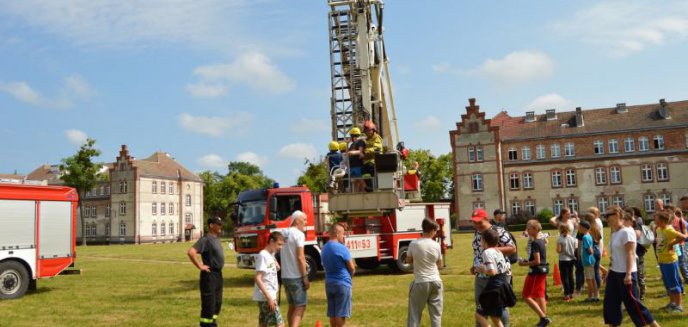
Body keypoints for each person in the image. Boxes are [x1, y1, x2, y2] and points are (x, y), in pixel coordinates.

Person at [602, 206, 660, 327]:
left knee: (633, 304)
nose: (606, 218)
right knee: (611, 302)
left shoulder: (627, 232)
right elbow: (615, 254)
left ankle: (652, 324)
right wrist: (609, 271)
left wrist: (628, 274)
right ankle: (613, 324)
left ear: (617, 214)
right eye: (605, 216)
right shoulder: (614, 233)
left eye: (608, 215)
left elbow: (631, 253)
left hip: (626, 273)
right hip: (614, 272)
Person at [471, 209, 516, 327]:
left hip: (498, 276)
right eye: (474, 223)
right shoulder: (477, 233)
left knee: (500, 305)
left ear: (486, 219)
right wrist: (474, 265)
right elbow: (478, 252)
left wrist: (492, 250)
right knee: (481, 305)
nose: (477, 225)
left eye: (480, 222)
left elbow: (512, 248)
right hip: (481, 275)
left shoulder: (499, 231)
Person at [187, 217, 225, 327]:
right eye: (218, 224)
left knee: (217, 303)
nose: (220, 226)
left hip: (218, 275)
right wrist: (200, 266)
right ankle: (205, 325)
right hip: (209, 276)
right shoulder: (206, 239)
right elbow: (191, 252)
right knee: (209, 305)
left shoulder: (216, 239)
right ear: (211, 225)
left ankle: (212, 324)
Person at [406, 218, 444, 327]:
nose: (436, 233)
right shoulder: (436, 245)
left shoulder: (414, 244)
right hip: (436, 281)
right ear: (432, 230)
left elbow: (408, 260)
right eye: (436, 231)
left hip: (420, 281)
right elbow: (440, 265)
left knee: (414, 315)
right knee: (436, 316)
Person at [321, 223, 355, 327]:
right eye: (342, 234)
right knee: (341, 314)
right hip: (342, 283)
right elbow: (352, 267)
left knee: (333, 313)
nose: (343, 237)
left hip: (329, 282)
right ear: (337, 233)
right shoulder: (342, 248)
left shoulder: (324, 248)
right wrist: (351, 276)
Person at [519, 220, 551, 327]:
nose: (527, 230)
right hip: (542, 271)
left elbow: (537, 261)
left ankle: (543, 318)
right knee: (540, 295)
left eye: (529, 228)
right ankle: (543, 319)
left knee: (526, 295)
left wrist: (524, 264)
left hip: (536, 272)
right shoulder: (541, 241)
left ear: (536, 229)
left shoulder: (535, 243)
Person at [280, 210, 310, 327]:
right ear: (297, 220)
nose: (306, 222)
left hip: (285, 276)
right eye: (304, 220)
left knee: (292, 306)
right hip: (296, 276)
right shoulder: (299, 235)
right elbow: (301, 257)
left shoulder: (283, 232)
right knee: (301, 306)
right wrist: (305, 277)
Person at [654, 210, 687, 312]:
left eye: (656, 218)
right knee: (668, 283)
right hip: (662, 261)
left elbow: (683, 237)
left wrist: (671, 244)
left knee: (673, 282)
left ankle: (678, 306)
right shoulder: (659, 229)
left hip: (670, 261)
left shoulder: (669, 229)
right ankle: (672, 303)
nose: (654, 219)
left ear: (662, 220)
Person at [254, 232, 286, 327]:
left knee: (263, 324)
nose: (280, 247)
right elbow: (258, 278)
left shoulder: (271, 254)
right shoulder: (263, 255)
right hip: (267, 296)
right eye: (279, 244)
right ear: (271, 241)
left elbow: (271, 269)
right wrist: (269, 298)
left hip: (267, 296)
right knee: (280, 324)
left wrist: (277, 265)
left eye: (282, 245)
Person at [629, 207, 648, 300]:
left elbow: (637, 234)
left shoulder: (637, 223)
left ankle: (642, 292)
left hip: (638, 250)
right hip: (632, 251)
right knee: (634, 273)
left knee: (639, 272)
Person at [578, 220, 599, 302]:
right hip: (591, 260)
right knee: (593, 278)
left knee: (589, 279)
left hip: (587, 261)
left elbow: (589, 249)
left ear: (583, 228)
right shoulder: (589, 235)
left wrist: (588, 252)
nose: (579, 228)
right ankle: (596, 296)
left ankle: (590, 297)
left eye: (579, 227)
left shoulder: (585, 237)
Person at [556, 224, 577, 301]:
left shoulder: (560, 239)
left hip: (563, 259)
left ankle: (567, 294)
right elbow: (575, 249)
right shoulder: (572, 238)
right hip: (572, 259)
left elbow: (559, 250)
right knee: (571, 276)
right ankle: (571, 292)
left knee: (564, 277)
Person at [362, 120, 383, 192]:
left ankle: (374, 187)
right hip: (366, 161)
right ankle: (369, 186)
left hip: (375, 160)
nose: (367, 132)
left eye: (369, 130)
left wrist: (366, 151)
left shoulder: (377, 138)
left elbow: (377, 148)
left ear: (373, 130)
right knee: (364, 173)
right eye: (366, 131)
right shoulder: (366, 140)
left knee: (372, 170)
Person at [669, 207, 688, 283]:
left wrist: (680, 238)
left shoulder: (680, 221)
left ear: (673, 211)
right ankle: (678, 279)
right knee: (674, 262)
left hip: (679, 244)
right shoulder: (668, 221)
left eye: (669, 211)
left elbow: (685, 234)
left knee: (681, 262)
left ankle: (686, 278)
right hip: (671, 244)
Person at [346, 127, 366, 193]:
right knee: (354, 181)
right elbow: (347, 153)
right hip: (352, 166)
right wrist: (346, 144)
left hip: (358, 165)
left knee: (360, 180)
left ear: (352, 136)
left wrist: (352, 152)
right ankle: (356, 194)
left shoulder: (360, 142)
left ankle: (363, 192)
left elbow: (360, 151)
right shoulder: (351, 144)